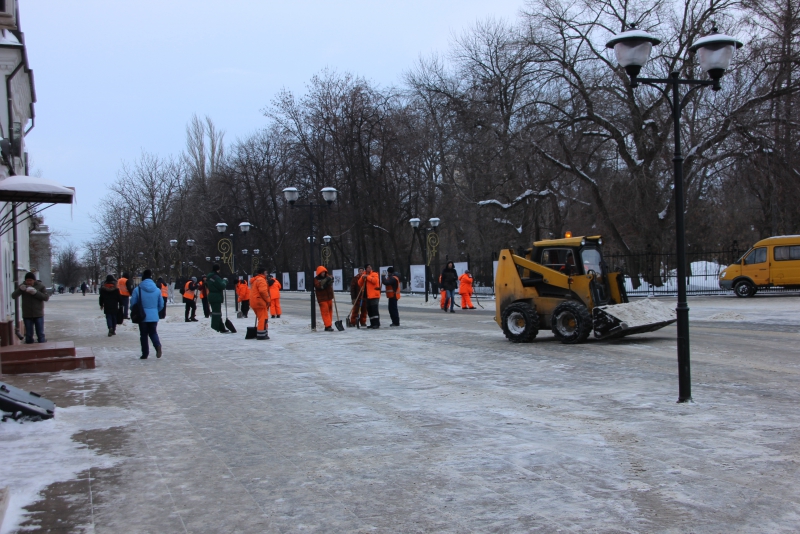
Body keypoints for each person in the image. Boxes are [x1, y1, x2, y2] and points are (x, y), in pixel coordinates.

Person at [130, 269, 164, 359]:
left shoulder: (138, 290)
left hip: (142, 316)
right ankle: (157, 345)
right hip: (153, 316)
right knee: (153, 332)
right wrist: (155, 311)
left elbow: (133, 303)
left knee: (143, 335)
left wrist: (133, 310)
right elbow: (161, 304)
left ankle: (145, 353)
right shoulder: (157, 290)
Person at [11, 272, 49, 343]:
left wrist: (35, 292)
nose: (28, 282)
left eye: (30, 280)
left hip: (38, 314)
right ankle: (29, 349)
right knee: (28, 335)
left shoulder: (40, 286)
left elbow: (46, 297)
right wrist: (20, 289)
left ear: (34, 280)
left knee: (40, 334)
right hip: (27, 314)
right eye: (27, 280)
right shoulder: (23, 286)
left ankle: (42, 348)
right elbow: (13, 296)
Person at [206, 265, 229, 333]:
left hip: (212, 295)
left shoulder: (209, 277)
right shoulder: (215, 277)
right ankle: (215, 327)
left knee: (217, 312)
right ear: (218, 270)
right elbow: (222, 286)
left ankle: (221, 327)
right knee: (216, 313)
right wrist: (225, 281)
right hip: (216, 296)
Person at [250, 267, 271, 340]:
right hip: (260, 302)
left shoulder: (255, 280)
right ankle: (261, 334)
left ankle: (261, 332)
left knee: (260, 318)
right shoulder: (262, 280)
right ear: (262, 273)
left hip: (254, 301)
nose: (267, 274)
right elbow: (263, 291)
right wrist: (268, 300)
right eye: (266, 273)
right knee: (263, 318)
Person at [358, 264, 381, 329]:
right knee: (369, 310)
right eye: (368, 267)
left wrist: (367, 277)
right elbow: (359, 283)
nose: (369, 268)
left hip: (374, 295)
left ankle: (376, 323)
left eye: (370, 267)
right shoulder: (364, 275)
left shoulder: (374, 274)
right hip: (367, 295)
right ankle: (372, 323)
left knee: (374, 310)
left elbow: (374, 281)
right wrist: (362, 277)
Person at [313, 266, 335, 332]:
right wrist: (325, 282)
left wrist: (330, 279)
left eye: (324, 272)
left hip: (329, 297)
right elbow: (318, 286)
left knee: (330, 311)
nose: (323, 273)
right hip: (322, 298)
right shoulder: (316, 279)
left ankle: (329, 325)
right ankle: (328, 326)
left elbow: (331, 278)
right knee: (325, 312)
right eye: (322, 272)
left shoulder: (327, 276)